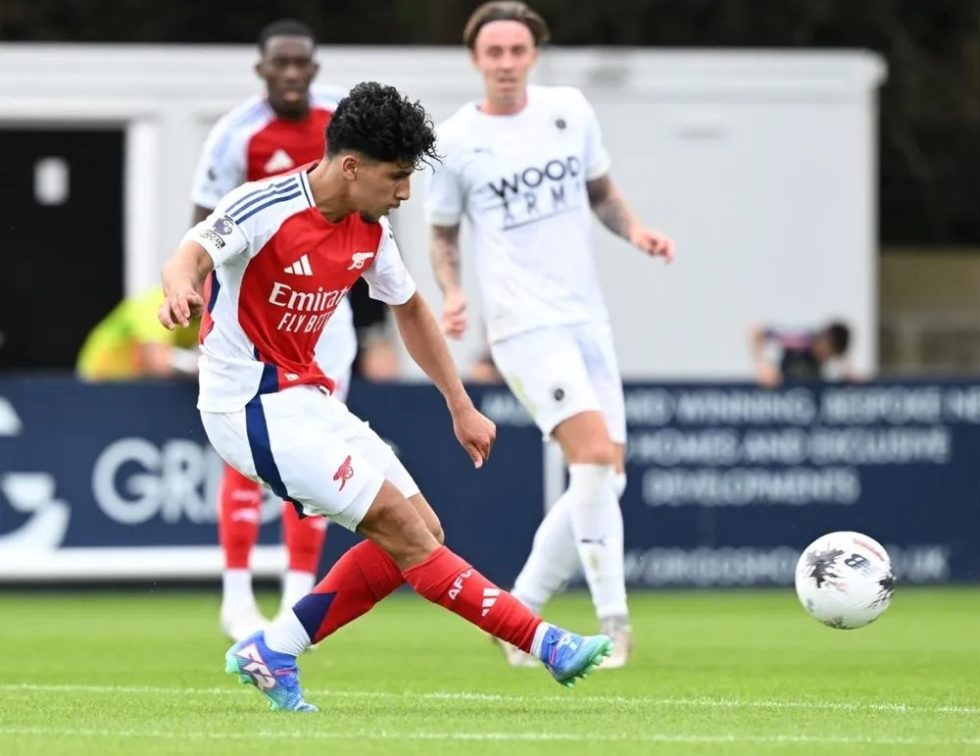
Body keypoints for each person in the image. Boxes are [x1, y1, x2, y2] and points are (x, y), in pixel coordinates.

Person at [159, 81, 612, 712]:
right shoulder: (263, 207)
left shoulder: (368, 228)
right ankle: (544, 642)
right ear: (351, 166)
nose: (404, 192)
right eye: (396, 177)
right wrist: (180, 289)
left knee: (422, 529)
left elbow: (410, 308)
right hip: (248, 408)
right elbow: (190, 255)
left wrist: (460, 404)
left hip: (308, 398)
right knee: (405, 532)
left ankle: (273, 649)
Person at [424, 1, 674, 669]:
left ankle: (517, 616)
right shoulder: (454, 140)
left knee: (607, 479)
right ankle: (614, 625)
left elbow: (602, 194)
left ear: (534, 54)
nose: (505, 63)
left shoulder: (570, 111)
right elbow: (443, 234)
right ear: (475, 59)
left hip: (586, 317)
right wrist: (453, 293)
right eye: (493, 52)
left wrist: (638, 231)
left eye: (516, 51)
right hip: (521, 323)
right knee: (591, 459)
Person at [190, 19, 358, 640]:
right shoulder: (236, 133)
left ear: (314, 68)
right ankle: (236, 597)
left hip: (326, 315)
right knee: (247, 445)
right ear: (261, 70)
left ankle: (296, 593)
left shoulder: (343, 119)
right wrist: (198, 296)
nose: (291, 75)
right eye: (279, 65)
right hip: (257, 315)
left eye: (301, 64)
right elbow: (202, 223)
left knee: (316, 447)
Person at [77, 286, 199, 381]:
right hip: (100, 376)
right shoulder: (156, 303)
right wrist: (201, 365)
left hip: (137, 383)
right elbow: (158, 360)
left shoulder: (207, 314)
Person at [749, 320, 853, 388]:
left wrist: (849, 374)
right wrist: (763, 366)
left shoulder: (832, 354)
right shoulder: (802, 339)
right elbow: (756, 332)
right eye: (827, 352)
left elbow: (844, 364)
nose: (825, 358)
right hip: (785, 389)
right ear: (824, 340)